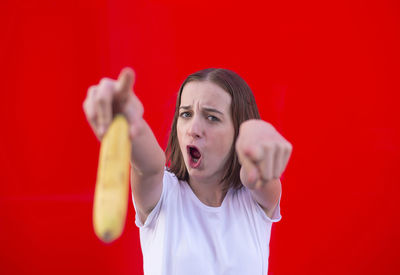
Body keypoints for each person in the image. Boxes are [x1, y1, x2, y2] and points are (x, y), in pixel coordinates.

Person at [83, 67, 292, 275]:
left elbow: (256, 176)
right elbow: (149, 167)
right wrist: (129, 121)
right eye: (186, 114)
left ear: (238, 130)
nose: (192, 130)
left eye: (212, 118)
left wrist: (256, 140)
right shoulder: (162, 194)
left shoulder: (254, 201)